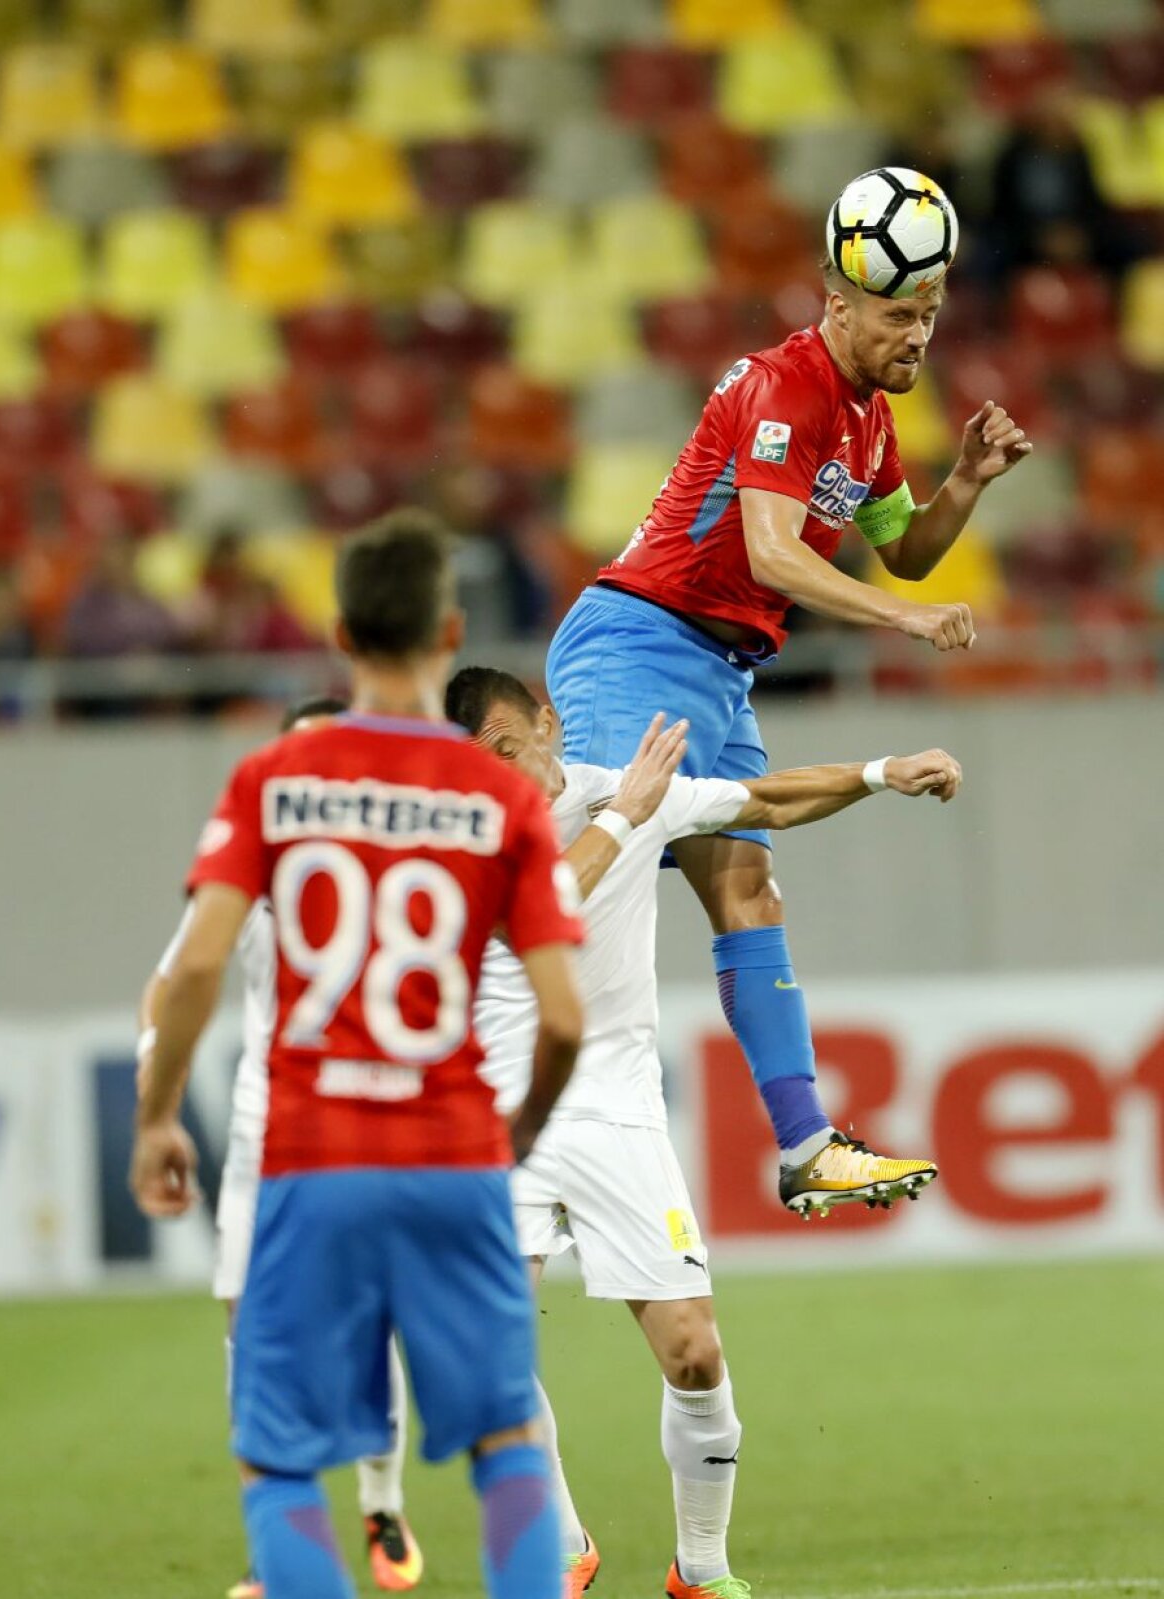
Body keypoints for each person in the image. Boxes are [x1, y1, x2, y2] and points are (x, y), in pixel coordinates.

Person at [545, 171, 1030, 1214]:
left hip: (719, 671)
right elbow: (771, 554)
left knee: (749, 895)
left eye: (933, 314)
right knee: (605, 878)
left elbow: (906, 549)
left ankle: (808, 1145)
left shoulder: (867, 422)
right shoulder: (784, 388)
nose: (920, 337)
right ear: (836, 300)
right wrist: (901, 624)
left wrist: (971, 483)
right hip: (637, 642)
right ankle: (514, 1111)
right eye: (902, 315)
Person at [131, 510, 586, 1599]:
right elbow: (565, 1019)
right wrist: (513, 1132)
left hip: (310, 1159)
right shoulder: (502, 797)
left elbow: (193, 971)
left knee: (279, 1453)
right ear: (451, 629)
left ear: (339, 631)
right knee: (505, 1439)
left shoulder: (273, 781)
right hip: (454, 1159)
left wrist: (155, 1116)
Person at [446, 665, 963, 1599]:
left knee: (694, 1351)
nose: (495, 775)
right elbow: (538, 917)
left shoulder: (623, 793)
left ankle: (703, 1569)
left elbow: (765, 796)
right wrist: (627, 815)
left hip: (617, 1113)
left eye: (502, 750)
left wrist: (886, 769)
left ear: (546, 725)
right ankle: (561, 1551)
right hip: (499, 1123)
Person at [139, 696, 423, 1599]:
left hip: (376, 1127)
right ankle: (278, 1553)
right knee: (249, 1333)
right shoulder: (256, 862)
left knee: (371, 1326)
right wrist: (161, 1088)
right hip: (270, 1136)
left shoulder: (405, 857)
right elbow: (175, 979)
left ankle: (380, 1500)